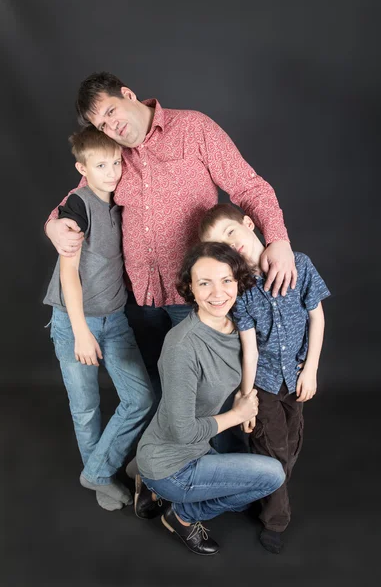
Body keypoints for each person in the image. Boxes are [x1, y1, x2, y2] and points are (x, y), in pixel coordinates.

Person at [44, 71, 297, 399]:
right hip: (139, 300)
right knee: (157, 392)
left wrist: (278, 239)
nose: (110, 127)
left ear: (128, 94)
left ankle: (219, 451)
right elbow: (80, 198)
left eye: (110, 112)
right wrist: (53, 224)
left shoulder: (194, 129)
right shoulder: (113, 154)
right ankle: (170, 452)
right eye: (101, 125)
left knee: (208, 394)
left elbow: (249, 186)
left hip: (196, 297)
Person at [132, 242, 285, 556]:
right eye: (205, 283)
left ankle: (146, 482)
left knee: (251, 486)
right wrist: (239, 413)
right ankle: (182, 515)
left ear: (237, 282)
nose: (218, 293)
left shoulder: (238, 325)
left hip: (197, 448)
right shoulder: (182, 347)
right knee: (271, 477)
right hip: (172, 465)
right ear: (190, 287)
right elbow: (182, 432)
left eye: (226, 280)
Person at [199, 204, 330, 553]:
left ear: (248, 223)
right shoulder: (239, 292)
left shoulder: (299, 264)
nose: (232, 245)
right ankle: (275, 520)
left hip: (298, 376)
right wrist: (247, 400)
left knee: (290, 444)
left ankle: (261, 487)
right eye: (221, 245)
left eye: (231, 233)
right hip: (265, 384)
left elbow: (317, 318)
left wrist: (312, 368)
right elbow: (250, 349)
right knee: (271, 451)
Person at [43, 127, 155, 511]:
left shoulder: (121, 204)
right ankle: (101, 477)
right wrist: (79, 332)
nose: (111, 171)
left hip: (115, 318)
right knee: (86, 406)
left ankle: (96, 469)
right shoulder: (76, 207)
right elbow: (69, 274)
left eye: (116, 163)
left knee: (140, 399)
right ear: (82, 168)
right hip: (75, 321)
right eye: (100, 165)